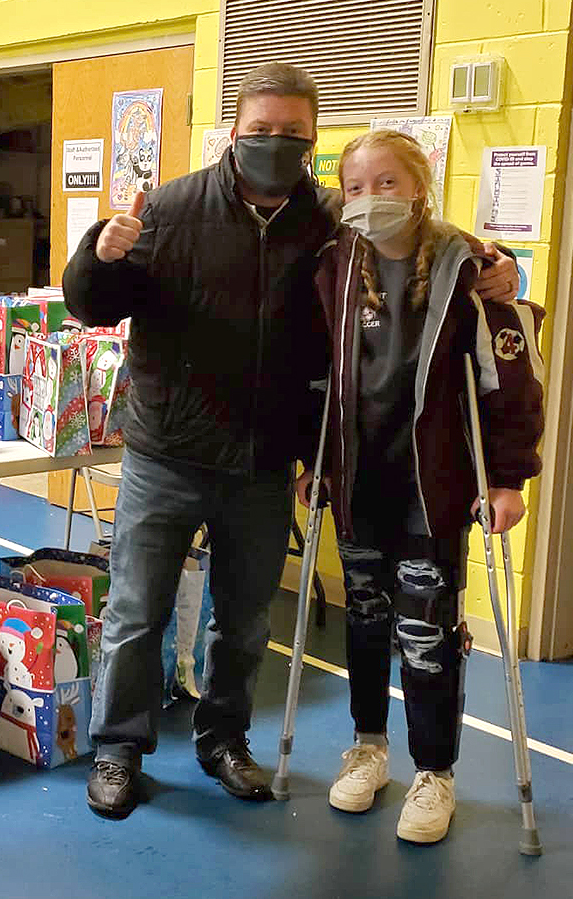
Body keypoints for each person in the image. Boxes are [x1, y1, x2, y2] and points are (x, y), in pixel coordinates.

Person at [62, 63, 521, 820]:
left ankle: (224, 742)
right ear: (232, 134)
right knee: (136, 615)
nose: (275, 146)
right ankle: (118, 751)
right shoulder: (172, 208)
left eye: (292, 137)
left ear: (312, 143)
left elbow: (416, 227)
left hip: (264, 460)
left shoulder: (331, 218)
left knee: (243, 621)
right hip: (167, 452)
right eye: (259, 133)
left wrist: (491, 262)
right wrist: (99, 252)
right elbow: (96, 303)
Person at [299, 130, 544, 843]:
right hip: (357, 478)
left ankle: (434, 771)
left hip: (430, 488)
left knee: (425, 632)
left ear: (419, 184)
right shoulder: (334, 265)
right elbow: (315, 374)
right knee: (368, 620)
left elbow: (509, 383)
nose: (370, 198)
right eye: (354, 186)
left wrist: (506, 478)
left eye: (386, 183)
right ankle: (370, 747)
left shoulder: (470, 267)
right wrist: (311, 464)